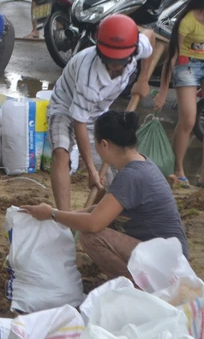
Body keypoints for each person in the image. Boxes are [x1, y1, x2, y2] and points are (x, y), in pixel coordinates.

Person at [20, 110, 189, 280]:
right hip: (166, 253)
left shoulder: (132, 176)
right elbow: (99, 210)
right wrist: (54, 216)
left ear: (105, 145)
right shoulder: (140, 163)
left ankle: (136, 287)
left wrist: (52, 214)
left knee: (92, 236)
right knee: (103, 221)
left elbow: (93, 223)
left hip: (169, 264)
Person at [47, 14, 155, 211]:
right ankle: (63, 217)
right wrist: (90, 170)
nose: (114, 65)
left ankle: (89, 216)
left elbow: (150, 36)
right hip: (63, 106)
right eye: (109, 59)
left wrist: (143, 79)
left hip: (97, 114)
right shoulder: (89, 77)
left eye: (119, 60)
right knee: (61, 152)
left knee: (107, 178)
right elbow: (79, 123)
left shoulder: (134, 46)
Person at [154, 0, 204, 188]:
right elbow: (172, 57)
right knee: (188, 119)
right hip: (187, 65)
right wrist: (163, 91)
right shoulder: (189, 20)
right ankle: (178, 170)